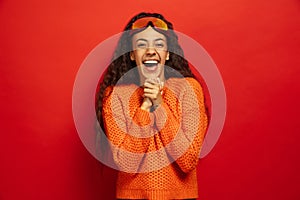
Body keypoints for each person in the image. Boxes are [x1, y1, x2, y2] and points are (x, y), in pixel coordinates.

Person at [96, 12, 208, 200]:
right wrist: (146, 106)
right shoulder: (116, 95)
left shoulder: (188, 89)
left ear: (166, 55)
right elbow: (126, 162)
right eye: (141, 45)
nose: (150, 50)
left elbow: (187, 160)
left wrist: (159, 105)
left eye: (159, 44)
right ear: (132, 55)